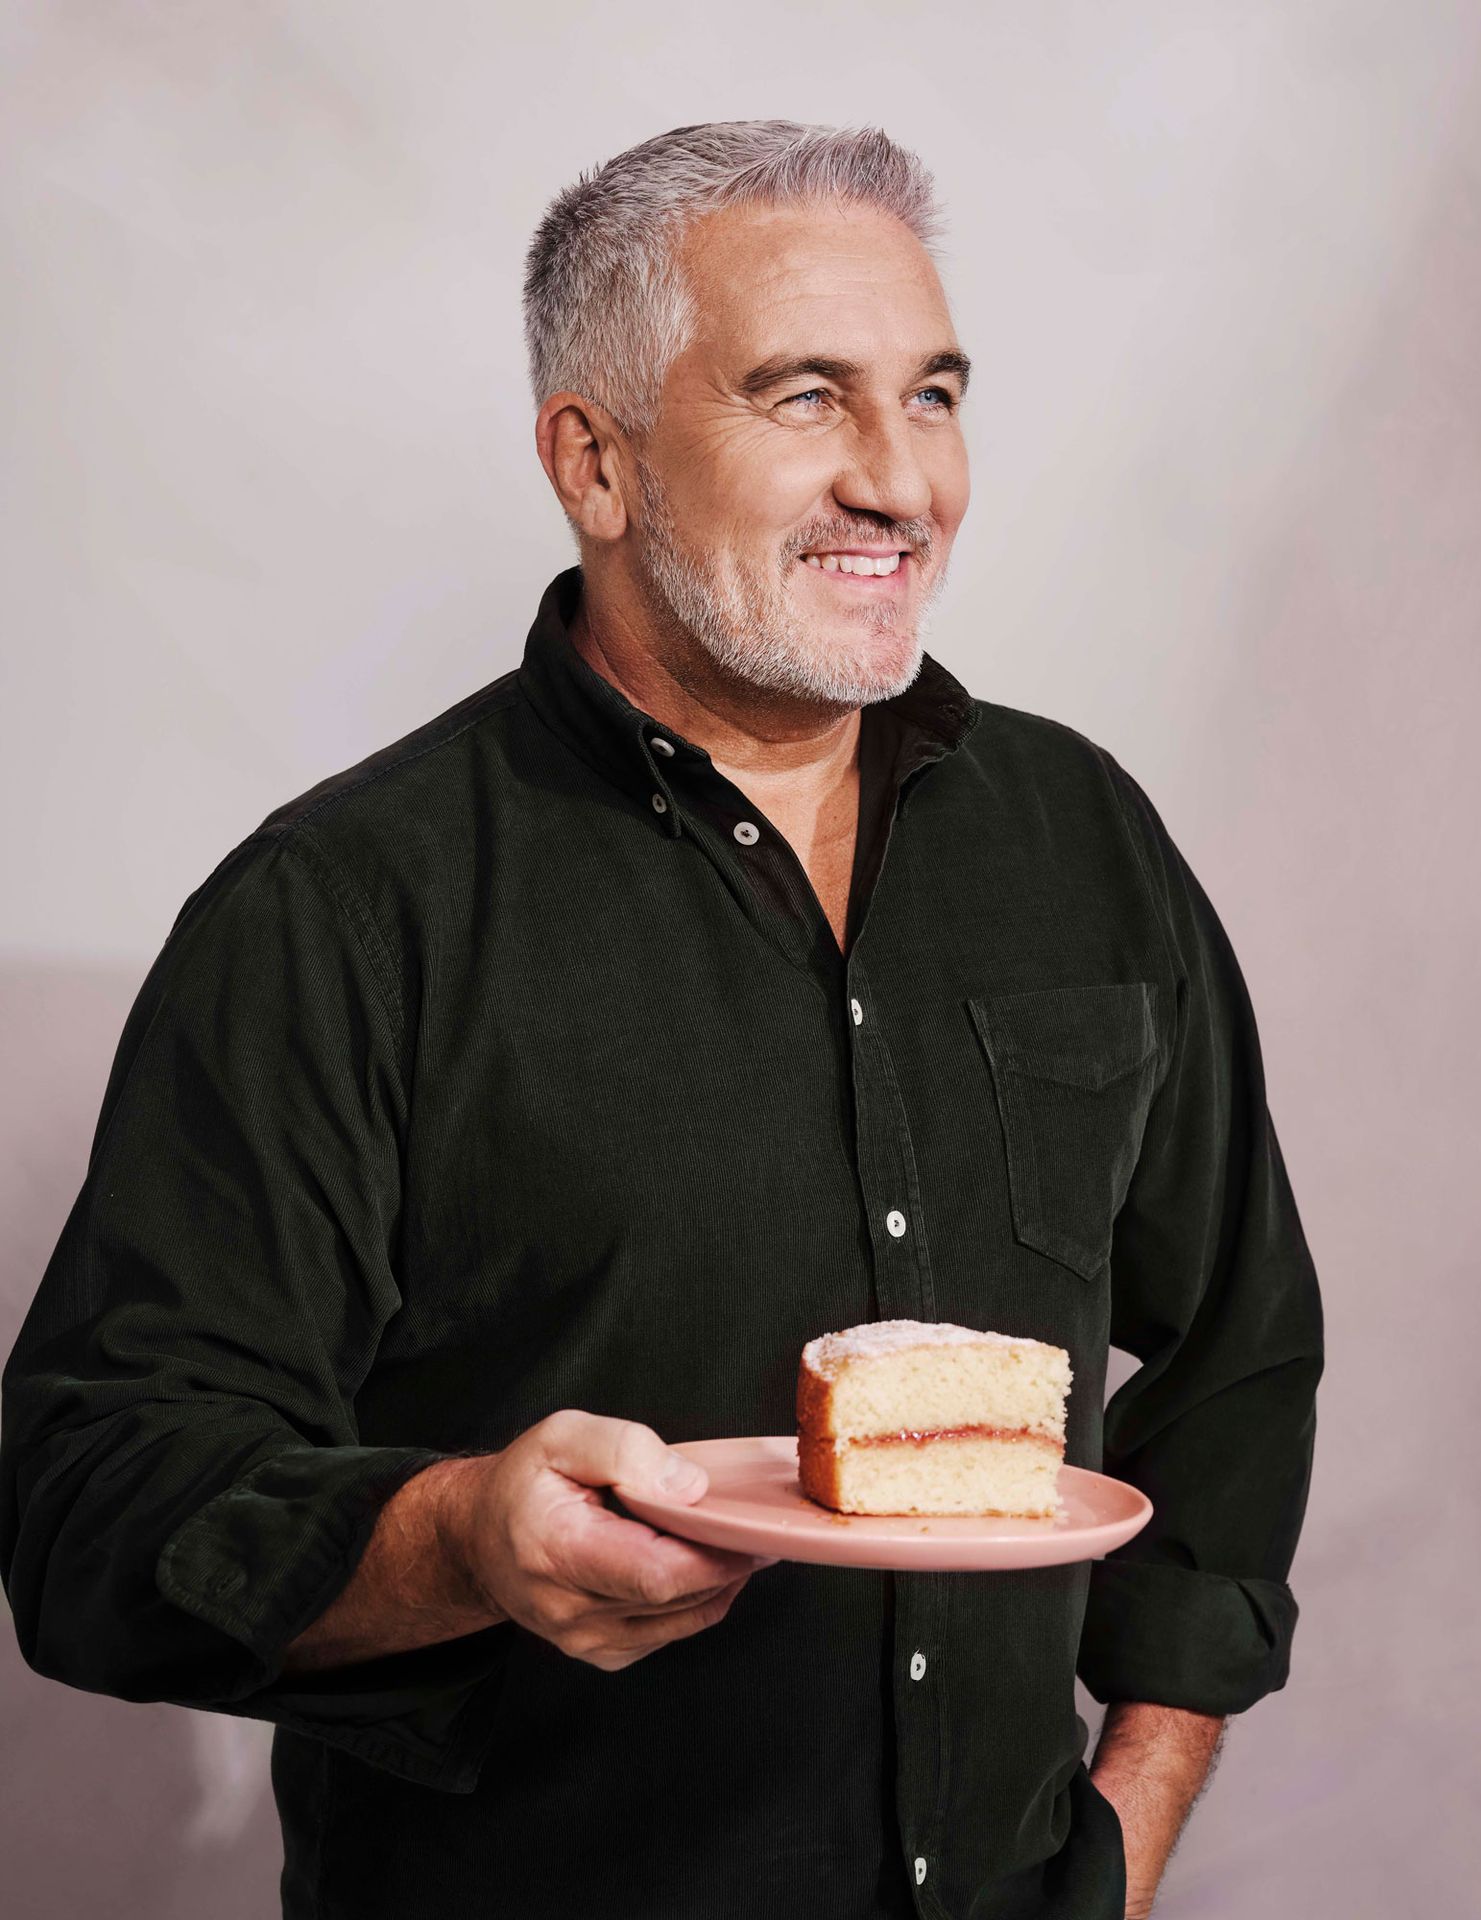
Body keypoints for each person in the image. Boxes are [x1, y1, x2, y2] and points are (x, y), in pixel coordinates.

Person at [0, 119, 1324, 1920]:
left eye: (931, 396)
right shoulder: (343, 915)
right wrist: (459, 1542)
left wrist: (1128, 1830)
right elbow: (91, 1514)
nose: (902, 483)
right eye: (805, 399)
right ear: (594, 463)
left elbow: (1243, 1350)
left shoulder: (1081, 837)